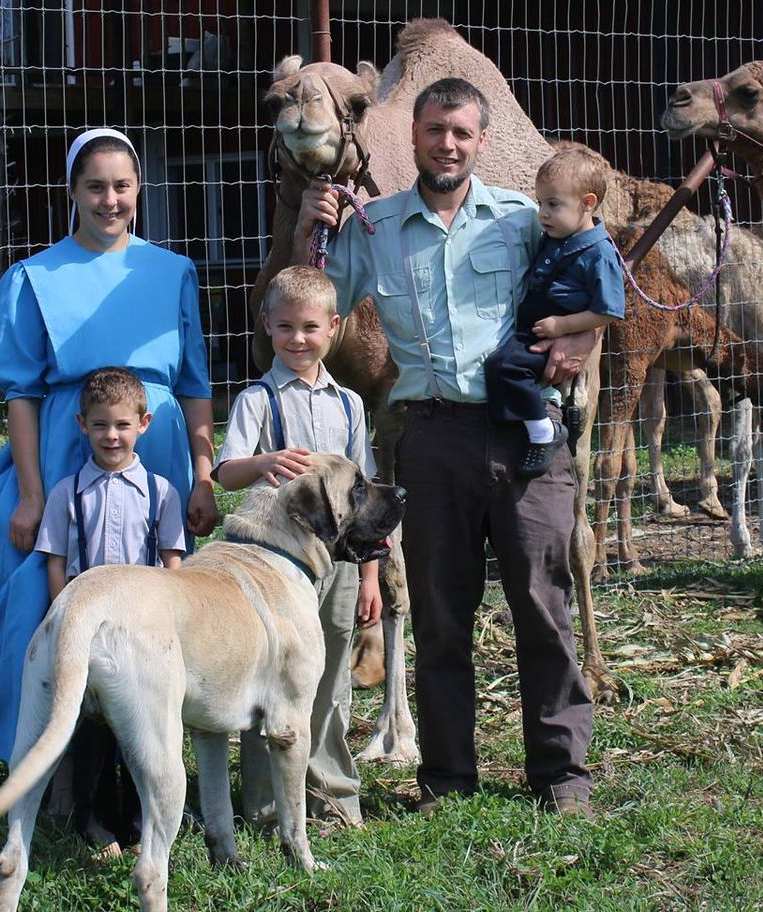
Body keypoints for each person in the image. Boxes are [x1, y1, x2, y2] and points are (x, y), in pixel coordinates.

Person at [293, 78, 601, 817]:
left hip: (527, 437)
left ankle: (561, 774)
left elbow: (595, 260)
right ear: (415, 136)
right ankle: (448, 775)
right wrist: (310, 228)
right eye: (435, 130)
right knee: (438, 611)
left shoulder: (526, 219)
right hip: (430, 437)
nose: (447, 144)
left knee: (542, 602)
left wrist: (589, 328)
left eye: (461, 132)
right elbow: (316, 305)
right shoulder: (376, 228)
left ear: (480, 140)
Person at [0, 128, 217, 764]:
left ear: (139, 190)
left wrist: (201, 474)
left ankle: (147, 761)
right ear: (72, 192)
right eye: (95, 186)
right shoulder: (35, 276)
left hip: (157, 446)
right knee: (51, 601)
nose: (109, 200)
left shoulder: (173, 271)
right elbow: (22, 395)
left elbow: (196, 382)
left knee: (152, 602)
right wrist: (32, 493)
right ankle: (52, 764)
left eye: (122, 186)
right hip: (71, 448)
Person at [213, 265, 382, 827]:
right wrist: (262, 463)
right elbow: (226, 473)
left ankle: (333, 794)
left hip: (335, 567)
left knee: (331, 680)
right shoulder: (257, 400)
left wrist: (372, 577)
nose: (297, 339)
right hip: (272, 569)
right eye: (284, 326)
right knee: (269, 679)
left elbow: (366, 500)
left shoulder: (350, 405)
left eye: (310, 327)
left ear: (334, 328)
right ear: (266, 326)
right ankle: (265, 806)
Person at [35, 365, 185, 856]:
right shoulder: (67, 494)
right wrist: (63, 622)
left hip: (141, 634)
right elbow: (56, 562)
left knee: (143, 730)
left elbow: (172, 565)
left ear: (143, 424)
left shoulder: (162, 493)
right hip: (90, 634)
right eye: (100, 425)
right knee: (93, 732)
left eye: (122, 424)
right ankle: (95, 820)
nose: (111, 435)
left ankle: (145, 819)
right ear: (82, 425)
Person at [485, 143, 625, 477]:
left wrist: (562, 327)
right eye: (540, 203)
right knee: (498, 367)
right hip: (535, 326)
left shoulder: (599, 254)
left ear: (587, 204)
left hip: (551, 331)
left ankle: (543, 431)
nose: (542, 213)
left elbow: (609, 311)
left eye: (553, 204)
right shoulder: (558, 234)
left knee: (506, 368)